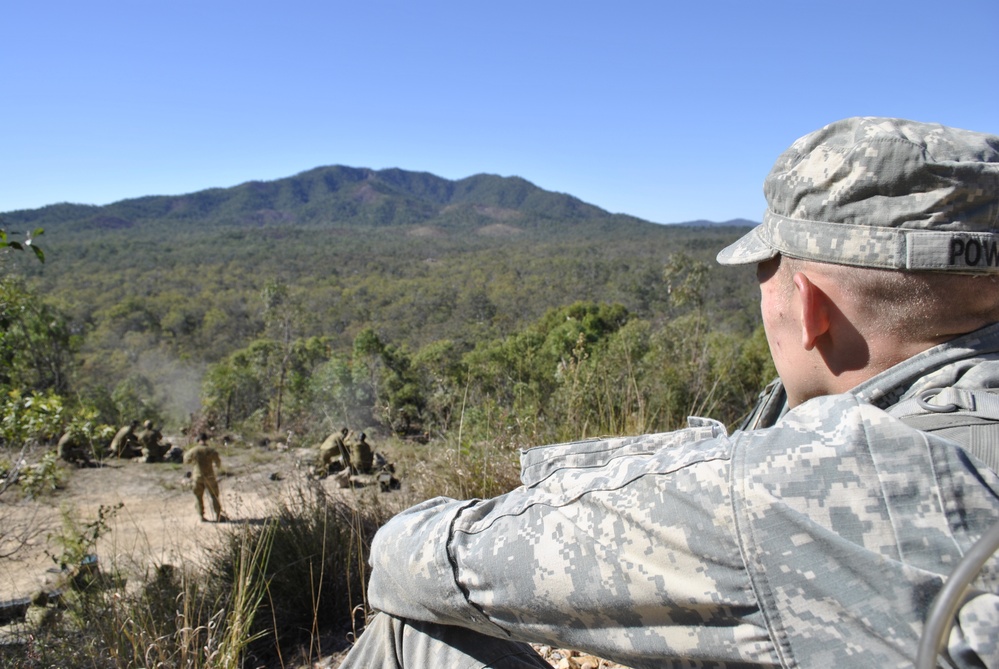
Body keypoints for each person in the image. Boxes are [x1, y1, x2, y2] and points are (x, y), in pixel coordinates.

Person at [339, 117, 999, 668]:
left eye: (764, 272)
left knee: (417, 635)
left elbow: (419, 557)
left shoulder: (823, 482)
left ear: (808, 307)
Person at [183, 433, 226, 522]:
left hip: (197, 476)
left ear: (198, 440)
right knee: (214, 496)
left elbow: (186, 460)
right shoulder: (211, 450)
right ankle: (218, 515)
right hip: (209, 476)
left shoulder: (193, 450)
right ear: (206, 440)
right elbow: (218, 463)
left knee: (198, 497)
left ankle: (201, 516)